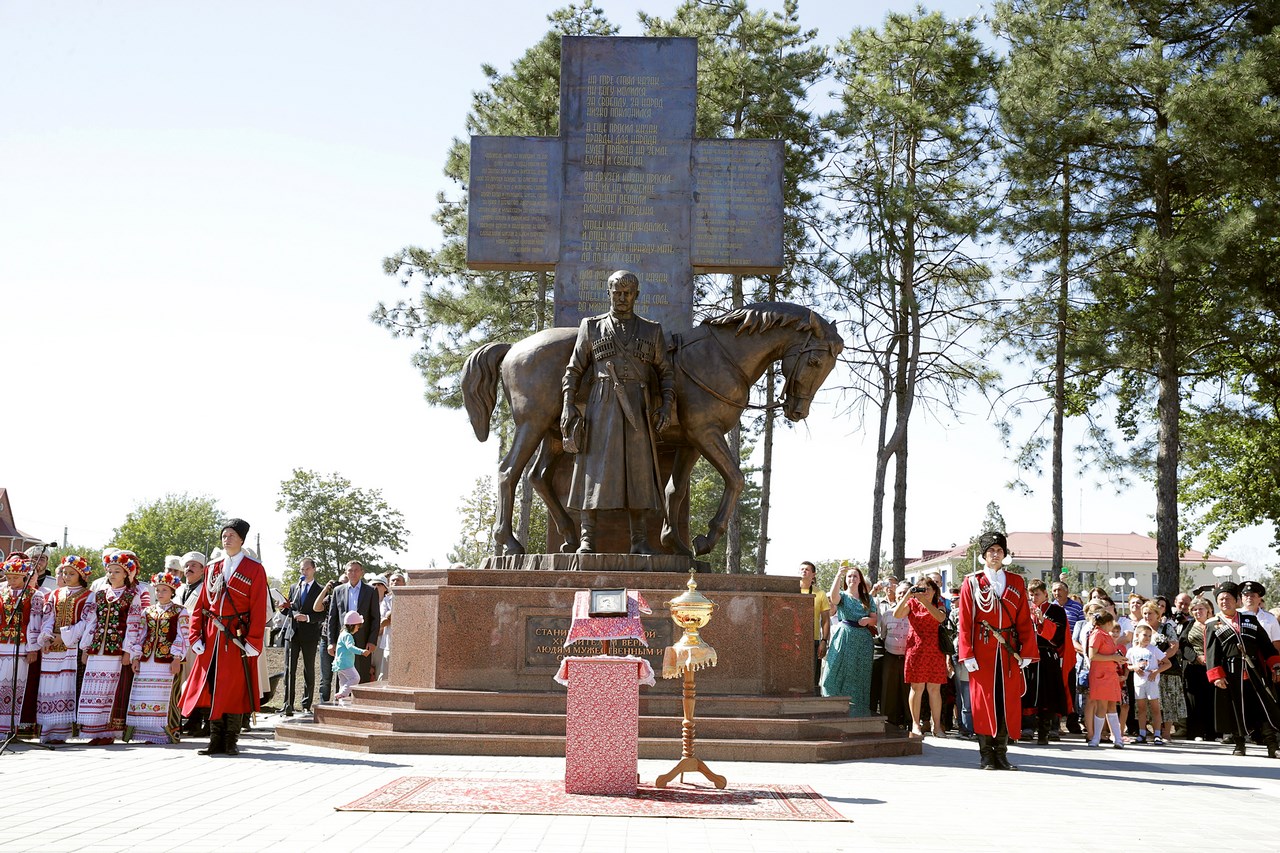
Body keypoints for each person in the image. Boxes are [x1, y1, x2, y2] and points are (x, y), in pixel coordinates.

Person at [560, 269, 675, 555]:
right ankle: (587, 539)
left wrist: (666, 405)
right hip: (602, 404)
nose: (622, 298)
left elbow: (666, 373)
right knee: (593, 468)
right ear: (608, 293)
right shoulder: (592, 326)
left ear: (637, 295)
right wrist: (567, 404)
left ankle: (639, 540)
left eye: (627, 293)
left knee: (638, 472)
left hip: (638, 404)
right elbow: (573, 371)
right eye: (616, 293)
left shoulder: (652, 330)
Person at [181, 518, 268, 757]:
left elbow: (259, 607)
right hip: (211, 636)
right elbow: (201, 605)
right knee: (211, 687)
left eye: (231, 535)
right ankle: (214, 738)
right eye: (224, 534)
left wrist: (254, 640)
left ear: (241, 539)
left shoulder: (254, 568)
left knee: (233, 688)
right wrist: (195, 635)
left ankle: (231, 740)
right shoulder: (213, 567)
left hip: (236, 636)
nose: (226, 538)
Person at [957, 531, 1038, 771]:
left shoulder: (1016, 582)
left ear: (1005, 554)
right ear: (983, 555)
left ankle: (1001, 753)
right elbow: (965, 621)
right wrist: (967, 652)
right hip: (982, 649)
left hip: (1008, 649)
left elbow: (1024, 620)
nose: (995, 554)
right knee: (983, 702)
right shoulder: (972, 582)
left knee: (1007, 702)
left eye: (999, 550)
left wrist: (1026, 651)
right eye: (991, 551)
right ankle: (985, 755)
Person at [1204, 582, 1280, 758]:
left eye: (1228, 599)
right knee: (1235, 708)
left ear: (1236, 600)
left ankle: (1272, 745)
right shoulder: (1212, 624)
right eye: (1221, 599)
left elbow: (1266, 645)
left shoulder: (1249, 619)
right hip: (1231, 674)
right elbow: (1211, 653)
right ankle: (1239, 744)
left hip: (1255, 671)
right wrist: (1216, 676)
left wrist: (1276, 666)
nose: (1225, 602)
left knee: (1264, 707)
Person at [75, 551, 143, 744]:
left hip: (116, 651)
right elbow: (91, 621)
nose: (112, 574)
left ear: (126, 574)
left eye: (117, 571)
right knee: (94, 689)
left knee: (110, 690)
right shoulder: (99, 595)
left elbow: (133, 624)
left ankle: (108, 733)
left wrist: (128, 650)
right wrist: (86, 648)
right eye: (110, 571)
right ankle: (94, 731)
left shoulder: (132, 596)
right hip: (98, 649)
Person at [124, 569, 188, 744]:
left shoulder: (180, 611)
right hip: (147, 660)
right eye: (158, 590)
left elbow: (183, 636)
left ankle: (166, 731)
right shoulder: (148, 611)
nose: (160, 593)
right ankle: (144, 731)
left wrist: (177, 658)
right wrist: (136, 657)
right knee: (144, 695)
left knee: (165, 696)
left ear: (173, 592)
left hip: (166, 661)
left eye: (164, 590)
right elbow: (141, 635)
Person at [34, 555, 93, 743]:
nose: (66, 576)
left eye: (71, 573)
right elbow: (48, 617)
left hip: (72, 647)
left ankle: (62, 733)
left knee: (66, 686)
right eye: (64, 573)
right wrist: (47, 637)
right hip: (53, 647)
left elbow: (88, 622)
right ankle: (47, 731)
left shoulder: (88, 595)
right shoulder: (55, 594)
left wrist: (66, 636)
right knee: (49, 686)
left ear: (81, 575)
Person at [820, 563, 877, 717]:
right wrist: (838, 575)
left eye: (855, 576)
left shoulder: (867, 598)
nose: (852, 578)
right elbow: (833, 597)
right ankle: (831, 704)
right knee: (833, 670)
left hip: (862, 640)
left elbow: (874, 619)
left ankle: (858, 709)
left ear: (860, 580)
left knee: (859, 673)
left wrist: (867, 620)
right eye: (849, 576)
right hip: (844, 635)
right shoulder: (843, 596)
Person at [895, 576, 947, 738]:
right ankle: (915, 724)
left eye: (927, 589)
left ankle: (937, 726)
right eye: (921, 589)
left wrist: (923, 600)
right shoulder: (912, 604)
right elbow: (897, 614)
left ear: (934, 591)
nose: (924, 592)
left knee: (934, 689)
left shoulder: (939, 604)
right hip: (916, 649)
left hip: (935, 650)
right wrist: (907, 596)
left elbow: (940, 618)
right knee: (917, 688)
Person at [1, 552, 45, 737]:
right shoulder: (2, 592)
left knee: (16, 685)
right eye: (9, 577)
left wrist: (33, 648)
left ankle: (12, 726)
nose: (12, 581)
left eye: (16, 578)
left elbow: (34, 622)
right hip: (2, 644)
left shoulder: (34, 595)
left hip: (22, 645)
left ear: (24, 576)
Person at [1026, 580, 1070, 745]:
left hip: (1047, 657)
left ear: (1045, 594)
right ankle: (1027, 728)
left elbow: (1059, 634)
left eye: (1037, 594)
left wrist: (1043, 621)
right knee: (1028, 692)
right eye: (1031, 594)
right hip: (1029, 657)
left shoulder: (1056, 610)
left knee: (1047, 696)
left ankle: (1045, 731)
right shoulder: (1026, 610)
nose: (1034, 597)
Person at [325, 561, 380, 684]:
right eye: (350, 570)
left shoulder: (371, 591)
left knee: (362, 673)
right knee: (343, 672)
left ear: (362, 572)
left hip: (363, 638)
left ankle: (362, 701)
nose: (353, 573)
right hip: (343, 638)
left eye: (356, 570)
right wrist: (331, 642)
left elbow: (376, 618)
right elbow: (332, 618)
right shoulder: (338, 590)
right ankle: (342, 699)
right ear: (346, 573)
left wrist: (372, 640)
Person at [281, 557, 322, 716]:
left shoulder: (320, 589)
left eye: (307, 569)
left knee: (308, 670)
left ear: (314, 569)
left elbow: (323, 614)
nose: (304, 572)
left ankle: (306, 704)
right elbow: (290, 610)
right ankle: (287, 704)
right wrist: (283, 608)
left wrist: (308, 618)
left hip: (310, 635)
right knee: (289, 669)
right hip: (292, 634)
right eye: (302, 570)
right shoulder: (294, 587)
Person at [174, 551, 207, 736]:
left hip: (197, 642)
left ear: (203, 570)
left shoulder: (204, 589)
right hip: (178, 643)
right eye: (187, 566)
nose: (189, 568)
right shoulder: (178, 590)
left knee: (196, 682)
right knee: (180, 681)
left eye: (194, 565)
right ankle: (179, 718)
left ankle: (196, 720)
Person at [1181, 595, 1218, 742]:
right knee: (1195, 701)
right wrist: (1196, 657)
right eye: (1194, 610)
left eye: (1200, 609)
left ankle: (1213, 733)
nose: (1197, 612)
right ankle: (1196, 731)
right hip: (1194, 669)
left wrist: (1210, 659)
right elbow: (1183, 645)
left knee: (1212, 700)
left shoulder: (1215, 624)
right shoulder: (1188, 626)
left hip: (1212, 668)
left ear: (1208, 610)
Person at [1087, 611, 1127, 748]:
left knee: (1111, 706)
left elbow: (1107, 654)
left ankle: (1117, 739)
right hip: (1101, 675)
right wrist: (1113, 658)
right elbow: (1092, 656)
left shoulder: (1106, 636)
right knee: (1101, 706)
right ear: (1108, 623)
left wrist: (1117, 659)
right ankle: (1096, 738)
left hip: (1109, 675)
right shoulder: (1097, 634)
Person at [1127, 622, 1170, 744]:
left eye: (1149, 636)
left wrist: (1156, 672)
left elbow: (1167, 663)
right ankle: (1142, 733)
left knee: (1155, 707)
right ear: (1137, 635)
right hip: (1139, 682)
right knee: (1141, 708)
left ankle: (1157, 734)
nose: (1147, 638)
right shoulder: (1132, 650)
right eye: (1145, 635)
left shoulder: (1154, 649)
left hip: (1151, 682)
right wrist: (1134, 667)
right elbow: (1128, 665)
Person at [878, 580, 911, 730]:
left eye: (905, 593)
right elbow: (883, 634)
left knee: (909, 692)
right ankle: (889, 722)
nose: (901, 596)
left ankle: (910, 722)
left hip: (910, 658)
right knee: (888, 692)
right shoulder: (887, 614)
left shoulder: (915, 614)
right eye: (899, 593)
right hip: (891, 656)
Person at [799, 561, 830, 695]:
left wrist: (823, 641)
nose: (803, 571)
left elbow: (826, 620)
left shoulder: (820, 593)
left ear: (813, 574)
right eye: (801, 569)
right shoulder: (791, 590)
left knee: (812, 679)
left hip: (813, 640)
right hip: (792, 640)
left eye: (806, 569)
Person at [332, 611, 365, 704]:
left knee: (344, 682)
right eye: (358, 626)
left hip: (339, 663)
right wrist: (361, 652)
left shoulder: (342, 633)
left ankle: (342, 697)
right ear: (352, 626)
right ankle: (342, 694)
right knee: (355, 678)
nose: (358, 629)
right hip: (346, 663)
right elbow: (350, 647)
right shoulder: (348, 636)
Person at [369, 575, 391, 680]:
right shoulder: (366, 602)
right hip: (367, 640)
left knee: (380, 673)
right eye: (374, 584)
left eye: (380, 584)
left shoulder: (389, 602)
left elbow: (387, 621)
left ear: (385, 587)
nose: (377, 587)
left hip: (382, 641)